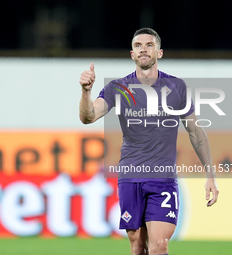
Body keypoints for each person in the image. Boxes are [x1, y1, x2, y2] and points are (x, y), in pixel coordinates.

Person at [79, 28, 219, 255]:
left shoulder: (177, 87)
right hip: (130, 178)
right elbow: (88, 117)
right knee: (137, 246)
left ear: (159, 53)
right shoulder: (118, 88)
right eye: (138, 45)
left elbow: (195, 132)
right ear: (132, 54)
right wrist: (86, 92)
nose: (143, 48)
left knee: (159, 245)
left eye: (149, 45)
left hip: (162, 180)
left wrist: (210, 175)